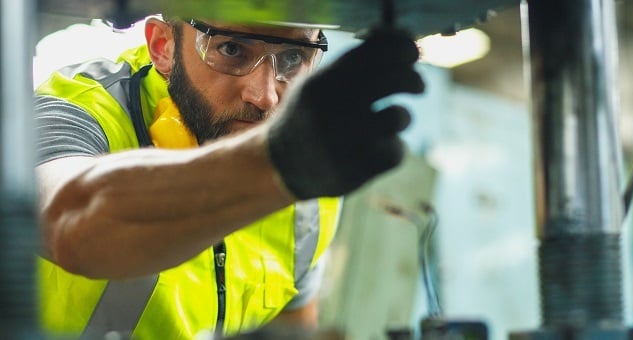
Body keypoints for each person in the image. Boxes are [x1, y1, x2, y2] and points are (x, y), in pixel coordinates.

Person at [34, 11, 424, 340]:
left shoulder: (310, 181)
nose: (265, 96)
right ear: (163, 46)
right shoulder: (77, 110)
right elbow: (69, 221)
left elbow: (293, 323)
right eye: (232, 49)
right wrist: (274, 163)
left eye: (292, 58)